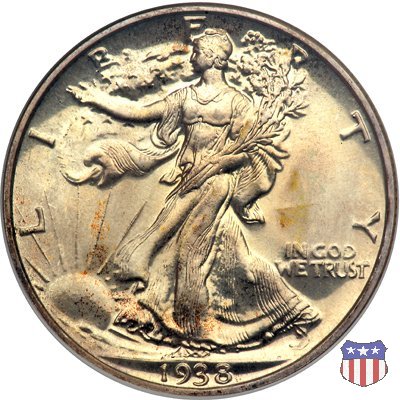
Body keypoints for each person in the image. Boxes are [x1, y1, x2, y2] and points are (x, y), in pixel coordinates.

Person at [68, 29, 319, 349]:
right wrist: (98, 99)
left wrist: (216, 163)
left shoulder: (238, 102)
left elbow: (248, 151)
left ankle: (193, 327)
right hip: (187, 181)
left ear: (213, 58)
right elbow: (142, 112)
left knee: (189, 252)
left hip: (215, 183)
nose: (192, 56)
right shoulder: (184, 97)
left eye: (198, 51)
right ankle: (183, 317)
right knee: (182, 246)